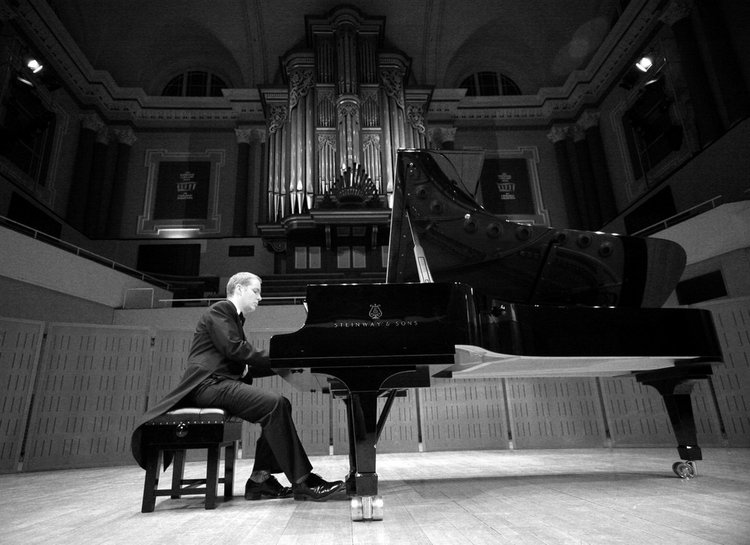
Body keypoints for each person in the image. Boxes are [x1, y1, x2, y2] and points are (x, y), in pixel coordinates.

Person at [131, 272, 343, 502]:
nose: (260, 297)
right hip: (207, 385)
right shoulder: (221, 310)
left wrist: (288, 364)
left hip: (220, 383)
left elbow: (244, 366)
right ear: (239, 289)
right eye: (256, 291)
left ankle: (260, 480)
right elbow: (236, 350)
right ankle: (302, 481)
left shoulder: (234, 319)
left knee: (280, 405)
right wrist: (285, 355)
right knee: (275, 404)